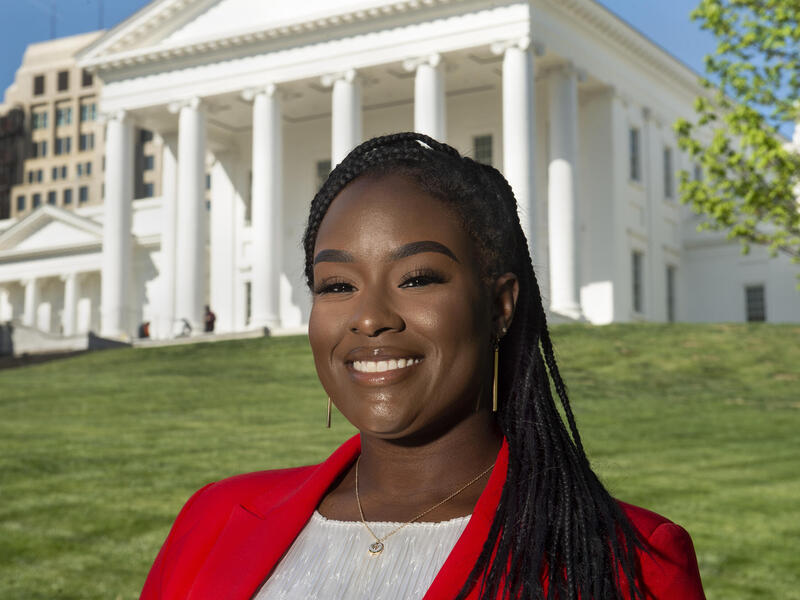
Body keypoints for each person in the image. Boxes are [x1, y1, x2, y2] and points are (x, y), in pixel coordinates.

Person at [141, 133, 705, 599]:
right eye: (337, 285)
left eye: (418, 278)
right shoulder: (213, 520)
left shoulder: (631, 561)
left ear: (501, 306)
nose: (369, 318)